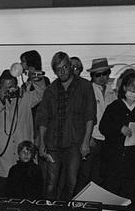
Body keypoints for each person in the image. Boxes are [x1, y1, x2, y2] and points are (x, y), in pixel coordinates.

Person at [35, 51, 97, 201]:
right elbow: (43, 118)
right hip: (53, 143)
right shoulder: (50, 90)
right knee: (50, 183)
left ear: (70, 66)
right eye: (58, 69)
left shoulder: (85, 86)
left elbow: (90, 116)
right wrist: (42, 142)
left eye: (65, 67)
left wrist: (86, 142)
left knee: (71, 182)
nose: (62, 71)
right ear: (54, 71)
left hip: (75, 143)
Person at [98, 69, 135, 205]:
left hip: (133, 162)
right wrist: (119, 129)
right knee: (110, 196)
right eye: (131, 85)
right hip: (113, 162)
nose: (134, 89)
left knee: (128, 197)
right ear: (124, 87)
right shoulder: (114, 106)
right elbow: (103, 127)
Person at [0, 69, 46, 195]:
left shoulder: (25, 97)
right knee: (2, 193)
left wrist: (37, 79)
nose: (10, 91)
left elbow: (41, 94)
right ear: (0, 86)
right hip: (3, 158)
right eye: (6, 87)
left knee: (24, 193)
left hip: (23, 157)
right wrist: (1, 99)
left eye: (12, 87)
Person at [76, 57, 118, 191]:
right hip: (91, 140)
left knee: (99, 177)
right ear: (92, 76)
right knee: (84, 175)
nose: (101, 77)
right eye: (97, 74)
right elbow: (80, 116)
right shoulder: (87, 90)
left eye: (104, 73)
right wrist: (87, 138)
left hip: (107, 141)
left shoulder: (113, 93)